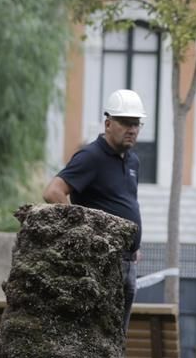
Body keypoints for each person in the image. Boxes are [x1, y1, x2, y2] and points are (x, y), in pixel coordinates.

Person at [43, 89, 146, 329]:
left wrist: (135, 244)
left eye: (136, 124)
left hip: (128, 262)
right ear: (108, 123)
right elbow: (53, 192)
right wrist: (84, 233)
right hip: (102, 263)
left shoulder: (133, 161)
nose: (132, 129)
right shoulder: (91, 156)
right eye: (125, 123)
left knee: (117, 339)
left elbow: (127, 203)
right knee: (98, 334)